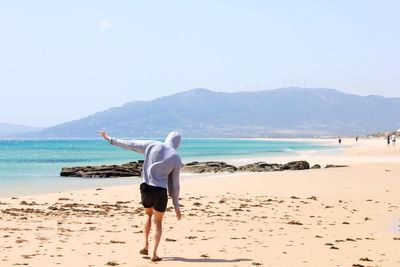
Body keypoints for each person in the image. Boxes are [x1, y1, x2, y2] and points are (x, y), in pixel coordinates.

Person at [98, 130, 182, 262]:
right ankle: (154, 254)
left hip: (146, 188)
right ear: (177, 144)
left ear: (167, 139)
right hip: (160, 190)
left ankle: (145, 245)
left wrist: (110, 139)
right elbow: (175, 185)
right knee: (158, 222)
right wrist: (176, 205)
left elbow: (130, 144)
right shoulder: (176, 158)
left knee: (148, 214)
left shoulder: (153, 144)